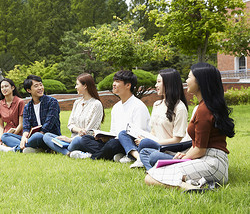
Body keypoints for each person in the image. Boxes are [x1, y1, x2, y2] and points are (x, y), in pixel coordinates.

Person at [145, 63, 235, 192]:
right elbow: (199, 147)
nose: (186, 81)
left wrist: (182, 159)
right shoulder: (207, 106)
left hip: (210, 163)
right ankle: (200, 183)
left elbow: (200, 150)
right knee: (156, 171)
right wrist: (185, 155)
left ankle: (190, 187)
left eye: (189, 77)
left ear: (199, 82)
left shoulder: (204, 110)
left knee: (150, 177)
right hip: (212, 162)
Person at [69, 70, 150, 160]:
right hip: (114, 141)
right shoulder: (116, 107)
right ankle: (116, 155)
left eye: (117, 81)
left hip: (130, 142)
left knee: (113, 144)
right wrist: (105, 137)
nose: (114, 84)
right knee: (86, 139)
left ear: (128, 85)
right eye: (114, 81)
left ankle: (92, 156)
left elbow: (139, 134)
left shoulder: (138, 106)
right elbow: (113, 131)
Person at [117, 68, 188, 169]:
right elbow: (153, 132)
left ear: (168, 83)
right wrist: (144, 138)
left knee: (153, 155)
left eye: (159, 82)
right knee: (123, 134)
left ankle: (144, 161)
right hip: (152, 145)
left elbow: (177, 140)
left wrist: (149, 142)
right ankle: (139, 158)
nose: (156, 85)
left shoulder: (179, 108)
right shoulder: (157, 104)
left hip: (168, 150)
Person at [42, 73, 104, 155]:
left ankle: (64, 149)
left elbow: (90, 131)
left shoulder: (96, 104)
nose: (75, 87)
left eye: (77, 84)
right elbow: (70, 124)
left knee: (77, 140)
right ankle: (68, 153)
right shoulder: (77, 103)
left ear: (85, 86)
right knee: (47, 136)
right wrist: (78, 131)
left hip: (84, 140)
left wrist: (71, 140)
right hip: (71, 139)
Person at [0, 75, 61, 153]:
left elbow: (48, 125)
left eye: (41, 85)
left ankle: (15, 149)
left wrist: (31, 138)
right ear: (29, 90)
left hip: (48, 137)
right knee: (5, 136)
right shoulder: (27, 107)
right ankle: (32, 148)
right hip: (33, 138)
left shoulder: (52, 102)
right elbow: (26, 127)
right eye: (36, 86)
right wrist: (24, 138)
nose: (40, 88)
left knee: (37, 135)